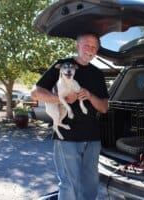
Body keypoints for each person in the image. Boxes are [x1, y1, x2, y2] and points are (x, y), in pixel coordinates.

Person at [31, 33, 109, 200]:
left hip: (92, 137)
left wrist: (89, 95)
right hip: (67, 137)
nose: (90, 49)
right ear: (77, 45)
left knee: (90, 184)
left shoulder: (98, 74)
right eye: (87, 45)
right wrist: (62, 99)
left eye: (94, 47)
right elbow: (35, 93)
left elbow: (103, 108)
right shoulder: (62, 65)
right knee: (69, 184)